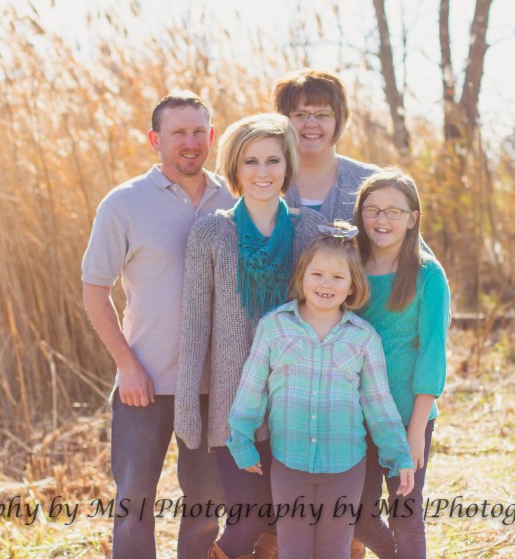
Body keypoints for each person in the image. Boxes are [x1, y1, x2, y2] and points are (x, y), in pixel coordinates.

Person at [81, 90, 229, 559]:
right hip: (144, 383)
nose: (190, 142)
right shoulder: (124, 203)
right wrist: (126, 365)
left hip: (212, 386)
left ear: (212, 136)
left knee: (207, 504)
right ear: (155, 139)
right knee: (134, 502)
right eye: (177, 132)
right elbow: (94, 289)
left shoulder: (234, 197)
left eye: (198, 132)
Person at [174, 113, 325, 559]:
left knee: (287, 524)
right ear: (235, 168)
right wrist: (187, 405)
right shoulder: (211, 232)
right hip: (233, 405)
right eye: (251, 161)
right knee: (247, 518)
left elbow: (328, 314)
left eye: (273, 160)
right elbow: (195, 325)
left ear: (288, 165)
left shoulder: (308, 231)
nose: (263, 172)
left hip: (295, 403)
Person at [227, 223, 415, 559]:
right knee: (293, 549)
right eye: (317, 274)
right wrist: (241, 440)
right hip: (289, 463)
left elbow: (379, 405)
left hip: (346, 466)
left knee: (335, 550)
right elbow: (251, 389)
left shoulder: (363, 337)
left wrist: (399, 455)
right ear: (301, 277)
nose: (326, 284)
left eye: (338, 277)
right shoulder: (274, 327)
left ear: (352, 286)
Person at [351, 169, 451, 558]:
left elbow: (432, 352)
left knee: (405, 514)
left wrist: (416, 430)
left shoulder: (428, 274)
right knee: (358, 515)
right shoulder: (350, 266)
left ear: (413, 218)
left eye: (394, 211)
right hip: (357, 415)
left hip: (409, 413)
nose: (382, 219)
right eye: (372, 210)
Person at [273, 68, 378, 221]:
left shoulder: (370, 181)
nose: (311, 123)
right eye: (300, 114)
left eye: (322, 114)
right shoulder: (263, 179)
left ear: (340, 120)